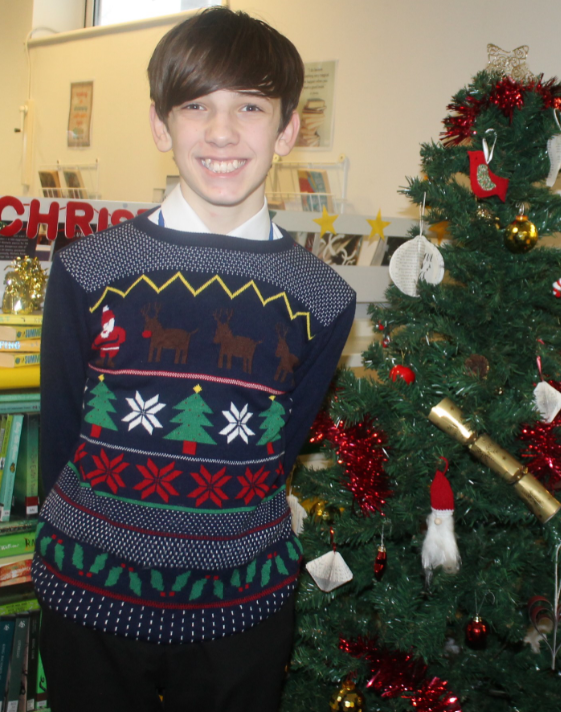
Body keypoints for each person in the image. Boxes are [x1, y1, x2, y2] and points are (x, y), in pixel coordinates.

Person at [34, 8, 355, 712]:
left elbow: (278, 450)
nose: (221, 132)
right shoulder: (90, 268)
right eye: (196, 106)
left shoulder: (322, 298)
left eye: (249, 106)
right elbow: (59, 434)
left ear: (288, 128)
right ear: (160, 125)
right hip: (91, 596)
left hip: (239, 610)